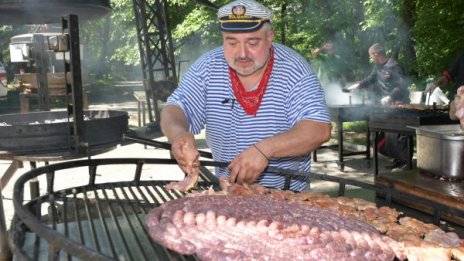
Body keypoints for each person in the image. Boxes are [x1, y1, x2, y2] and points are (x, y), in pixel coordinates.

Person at [160, 0, 332, 191]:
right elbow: (176, 108)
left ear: (269, 38)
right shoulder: (207, 68)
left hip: (287, 194)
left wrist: (265, 150)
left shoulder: (293, 69)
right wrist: (178, 134)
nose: (242, 53)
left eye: (252, 42)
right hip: (228, 192)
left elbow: (319, 128)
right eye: (232, 42)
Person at [343, 43, 411, 171]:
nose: (371, 58)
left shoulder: (394, 65)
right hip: (387, 106)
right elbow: (369, 79)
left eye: (371, 56)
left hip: (400, 104)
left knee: (399, 134)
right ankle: (397, 159)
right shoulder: (378, 67)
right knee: (390, 134)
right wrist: (355, 87)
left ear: (375, 54)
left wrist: (390, 97)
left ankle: (406, 162)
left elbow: (401, 85)